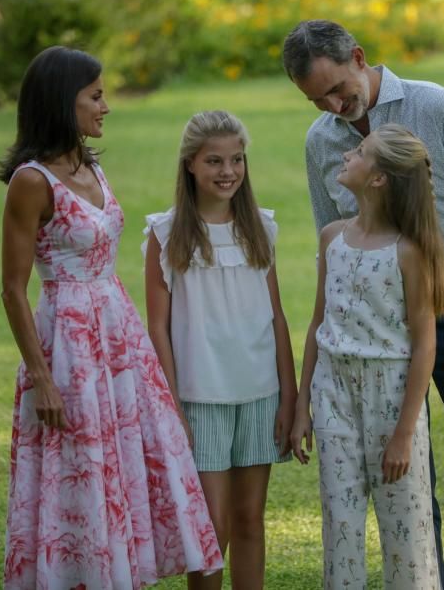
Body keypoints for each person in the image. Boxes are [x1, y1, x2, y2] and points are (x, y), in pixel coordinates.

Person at [283, 20, 444, 590]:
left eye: (337, 89)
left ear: (358, 57)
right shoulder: (321, 141)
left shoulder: (439, 108)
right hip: (377, 335)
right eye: (317, 99)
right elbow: (331, 239)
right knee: (406, 484)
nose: (333, 106)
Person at [0, 46, 223, 589]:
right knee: (82, 473)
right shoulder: (31, 182)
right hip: (70, 345)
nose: (106, 106)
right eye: (95, 96)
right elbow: (12, 289)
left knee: (133, 463)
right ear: (62, 101)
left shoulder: (92, 164)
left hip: (118, 337)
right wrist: (43, 379)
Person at [291, 124, 444, 589]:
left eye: (360, 152)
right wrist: (303, 405)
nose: (347, 155)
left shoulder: (409, 253)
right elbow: (318, 325)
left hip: (392, 395)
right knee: (339, 527)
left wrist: (404, 434)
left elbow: (425, 344)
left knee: (407, 531)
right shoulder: (331, 238)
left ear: (378, 178)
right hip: (333, 391)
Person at [143, 110, 298, 590]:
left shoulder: (261, 229)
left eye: (236, 159)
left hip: (259, 393)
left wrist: (290, 397)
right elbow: (159, 328)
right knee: (211, 527)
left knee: (251, 519)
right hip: (199, 397)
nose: (227, 171)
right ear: (190, 164)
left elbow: (276, 316)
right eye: (214, 161)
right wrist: (172, 407)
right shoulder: (165, 234)